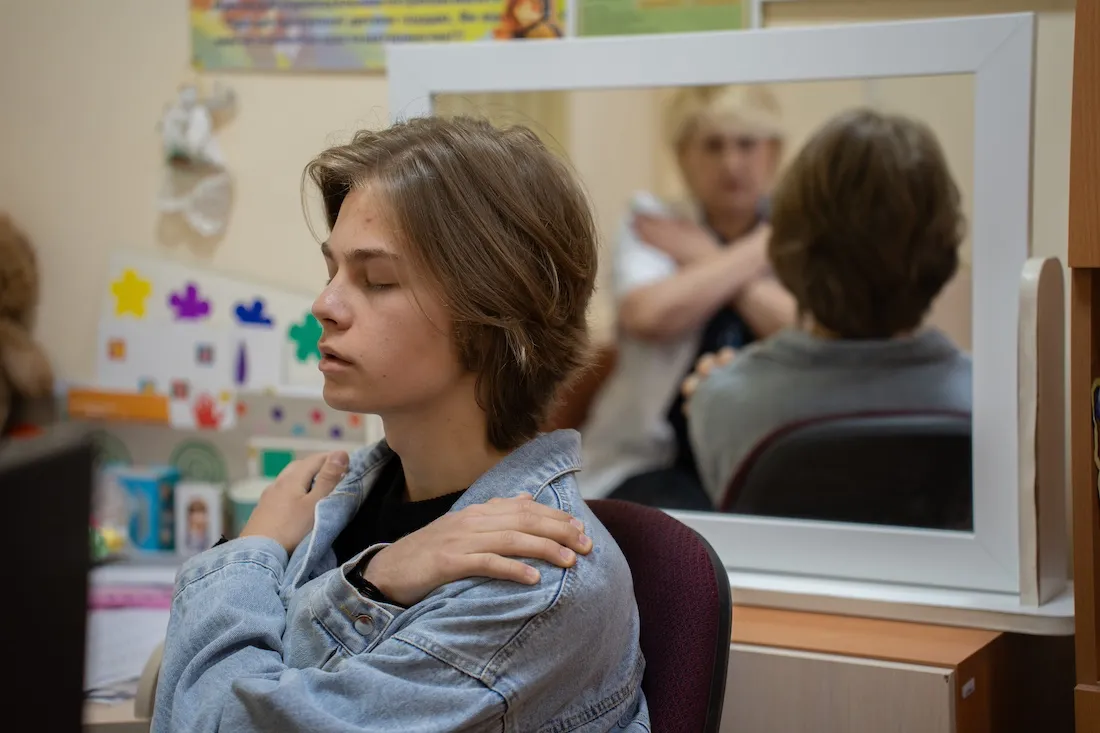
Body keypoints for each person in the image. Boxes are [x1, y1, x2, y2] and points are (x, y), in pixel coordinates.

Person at [152, 116, 649, 732]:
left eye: (376, 280)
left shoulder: (536, 581)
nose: (324, 306)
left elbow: (212, 719)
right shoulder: (336, 494)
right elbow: (174, 688)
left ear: (495, 317)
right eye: (332, 270)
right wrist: (376, 576)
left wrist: (253, 558)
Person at [684, 108, 972, 506]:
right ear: (944, 248)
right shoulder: (989, 403)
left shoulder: (720, 401)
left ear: (786, 248)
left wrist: (719, 386)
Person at [578, 85, 797, 508]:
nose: (731, 163)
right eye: (712, 146)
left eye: (746, 144)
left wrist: (705, 257)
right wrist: (756, 252)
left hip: (768, 451)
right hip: (653, 460)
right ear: (682, 156)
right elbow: (648, 314)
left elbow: (808, 334)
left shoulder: (797, 231)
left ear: (773, 152)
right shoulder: (653, 221)